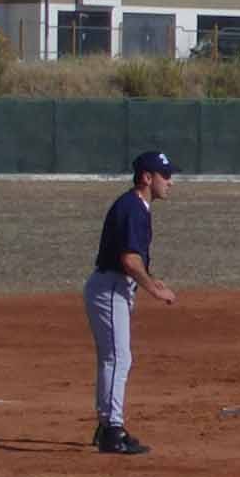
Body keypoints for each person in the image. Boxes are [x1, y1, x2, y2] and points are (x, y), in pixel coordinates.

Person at [84, 150, 179, 455]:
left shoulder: (137, 206)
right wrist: (153, 288)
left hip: (112, 286)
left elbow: (133, 257)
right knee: (118, 358)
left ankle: (106, 426)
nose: (170, 182)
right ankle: (113, 430)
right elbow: (128, 260)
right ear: (147, 178)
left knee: (112, 358)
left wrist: (151, 277)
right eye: (165, 175)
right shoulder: (132, 208)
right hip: (111, 288)